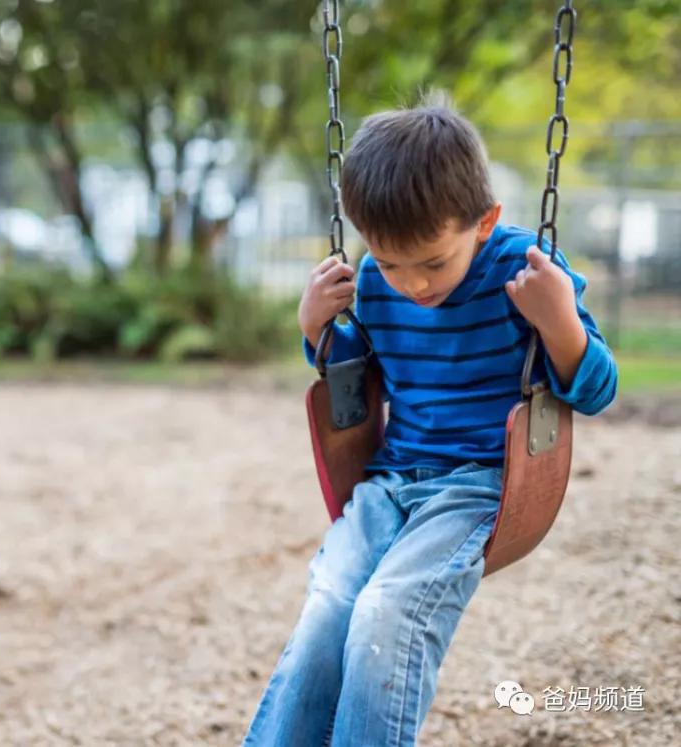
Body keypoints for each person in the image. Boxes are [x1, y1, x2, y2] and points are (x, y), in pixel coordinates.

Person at [241, 97, 618, 746]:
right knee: (330, 604)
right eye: (391, 263)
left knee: (387, 611)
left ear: (484, 221)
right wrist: (316, 329)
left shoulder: (525, 270)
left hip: (477, 486)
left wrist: (560, 324)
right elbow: (360, 379)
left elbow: (597, 389)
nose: (412, 285)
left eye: (434, 262)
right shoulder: (374, 281)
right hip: (390, 482)